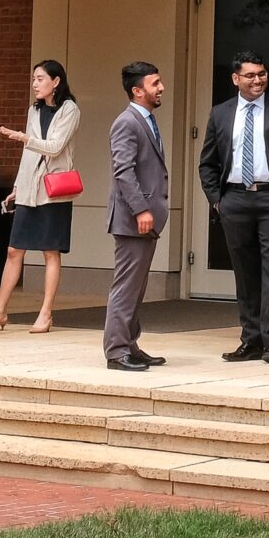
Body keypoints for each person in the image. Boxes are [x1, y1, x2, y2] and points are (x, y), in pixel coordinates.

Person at [198, 50, 269, 365]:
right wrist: (217, 201)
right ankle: (251, 341)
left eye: (262, 74)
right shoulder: (220, 113)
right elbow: (208, 162)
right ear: (236, 79)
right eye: (250, 75)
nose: (258, 80)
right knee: (245, 273)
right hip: (234, 200)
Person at [0, 60, 80, 334]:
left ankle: (45, 314)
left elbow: (55, 147)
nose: (35, 83)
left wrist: (24, 138)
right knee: (14, 249)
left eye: (40, 78)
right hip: (29, 188)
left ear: (56, 81)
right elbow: (29, 155)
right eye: (34, 79)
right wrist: (17, 185)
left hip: (53, 190)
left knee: (50, 252)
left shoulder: (70, 110)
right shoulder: (33, 110)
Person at [104, 61, 171, 371]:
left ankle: (129, 344)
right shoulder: (127, 122)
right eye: (155, 83)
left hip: (145, 219)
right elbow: (123, 171)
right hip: (134, 219)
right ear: (137, 90)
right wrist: (141, 209)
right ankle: (117, 352)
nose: (161, 88)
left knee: (136, 286)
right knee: (126, 286)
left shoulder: (145, 120)